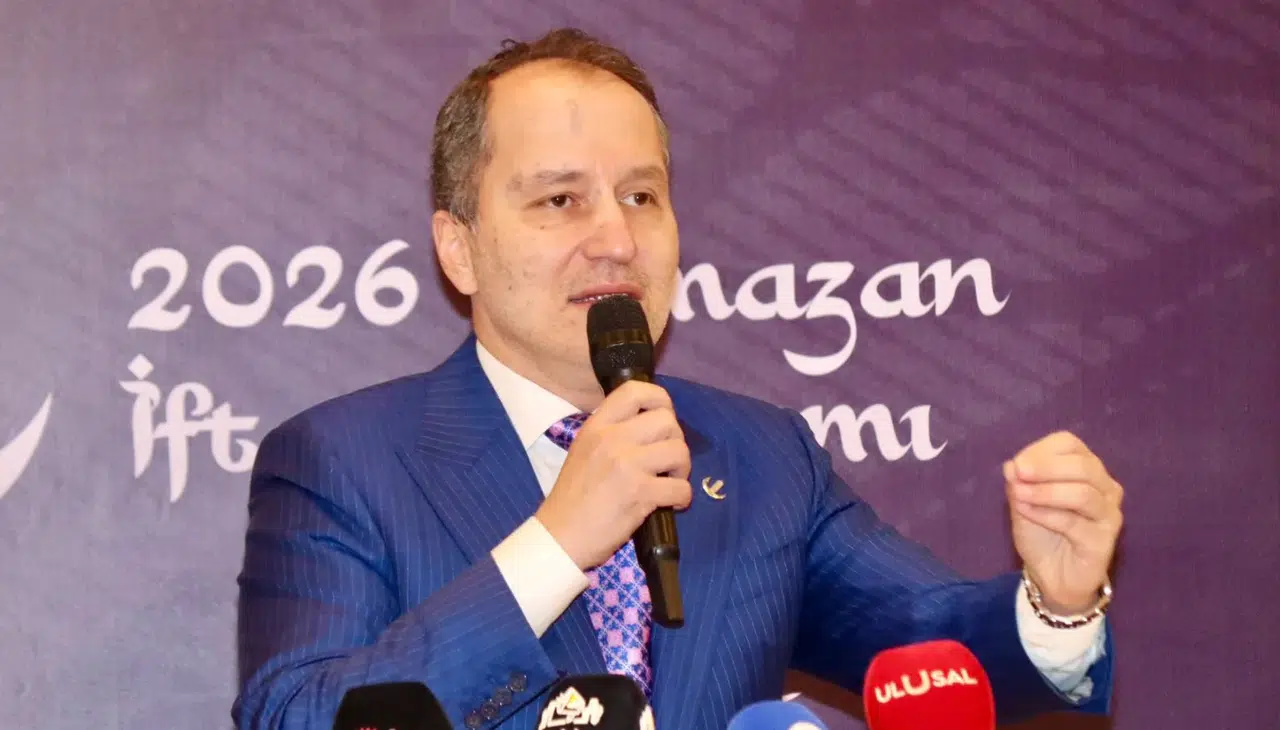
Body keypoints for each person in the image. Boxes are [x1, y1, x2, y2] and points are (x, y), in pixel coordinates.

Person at [233, 28, 1123, 730]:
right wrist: (554, 545)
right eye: (560, 199)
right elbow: (299, 715)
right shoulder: (342, 461)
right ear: (458, 248)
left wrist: (1057, 602)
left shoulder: (763, 457)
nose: (616, 240)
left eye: (641, 196)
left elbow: (933, 654)